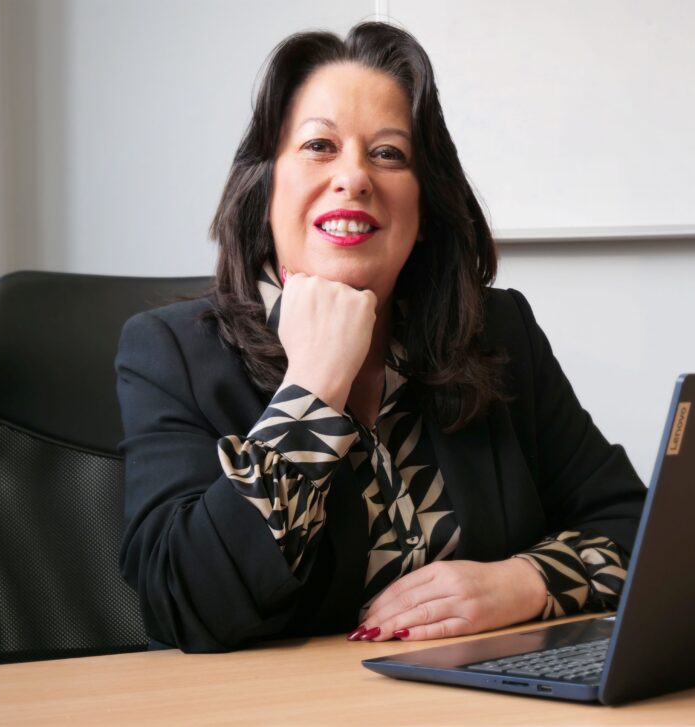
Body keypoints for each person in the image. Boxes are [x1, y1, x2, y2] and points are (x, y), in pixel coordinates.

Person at [116, 21, 646, 652]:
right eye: (319, 146)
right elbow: (185, 604)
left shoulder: (500, 335)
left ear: (423, 214)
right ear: (265, 191)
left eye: (389, 153)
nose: (354, 177)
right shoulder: (170, 353)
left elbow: (636, 527)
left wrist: (523, 582)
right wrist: (312, 387)